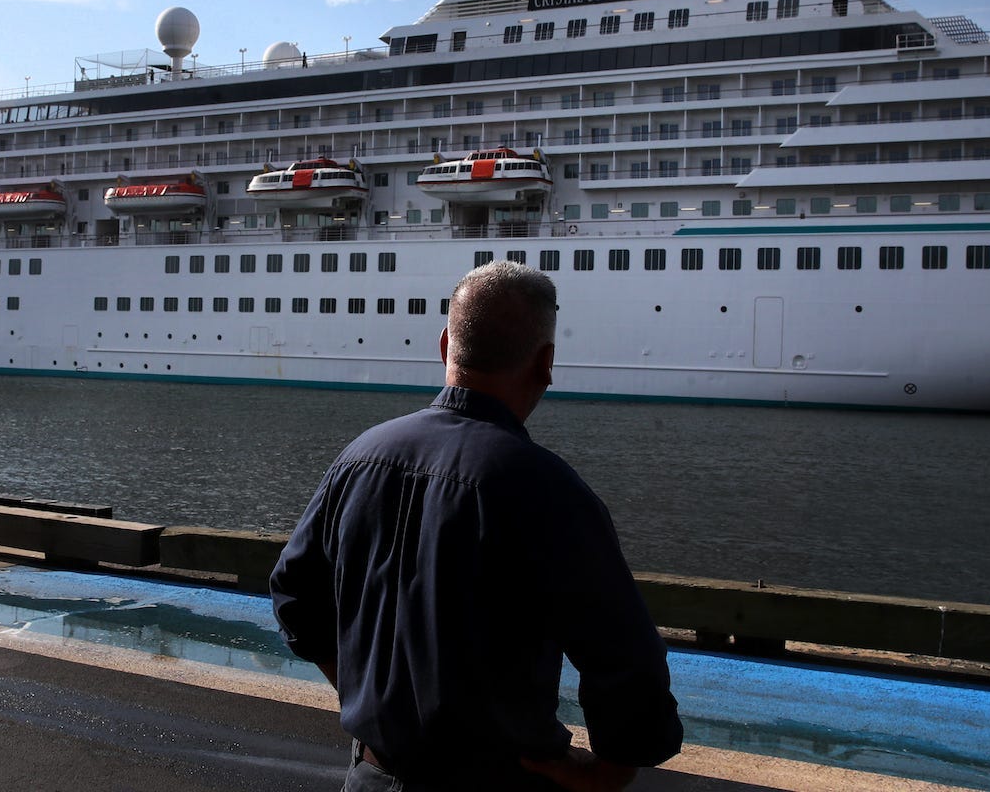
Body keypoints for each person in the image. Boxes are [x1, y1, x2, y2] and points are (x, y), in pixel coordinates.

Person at [269, 261, 682, 791]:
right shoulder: (548, 489)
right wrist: (609, 770)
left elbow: (294, 593)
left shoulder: (359, 458)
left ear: (445, 345)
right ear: (546, 362)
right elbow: (627, 660)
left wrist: (357, 689)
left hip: (370, 777)